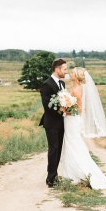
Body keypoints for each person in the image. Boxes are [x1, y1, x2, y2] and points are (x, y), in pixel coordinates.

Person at [57, 67, 106, 189]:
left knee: (74, 144)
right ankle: (72, 174)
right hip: (70, 120)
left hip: (73, 120)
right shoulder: (74, 88)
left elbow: (79, 109)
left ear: (77, 76)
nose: (70, 73)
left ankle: (80, 173)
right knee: (70, 144)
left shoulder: (78, 89)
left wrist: (65, 110)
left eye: (73, 72)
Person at [39, 58, 67, 187]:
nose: (66, 72)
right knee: (53, 149)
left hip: (61, 122)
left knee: (59, 148)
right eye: (64, 69)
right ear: (57, 69)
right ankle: (50, 179)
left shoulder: (62, 84)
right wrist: (61, 110)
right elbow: (47, 106)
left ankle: (55, 175)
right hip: (51, 122)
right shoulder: (47, 84)